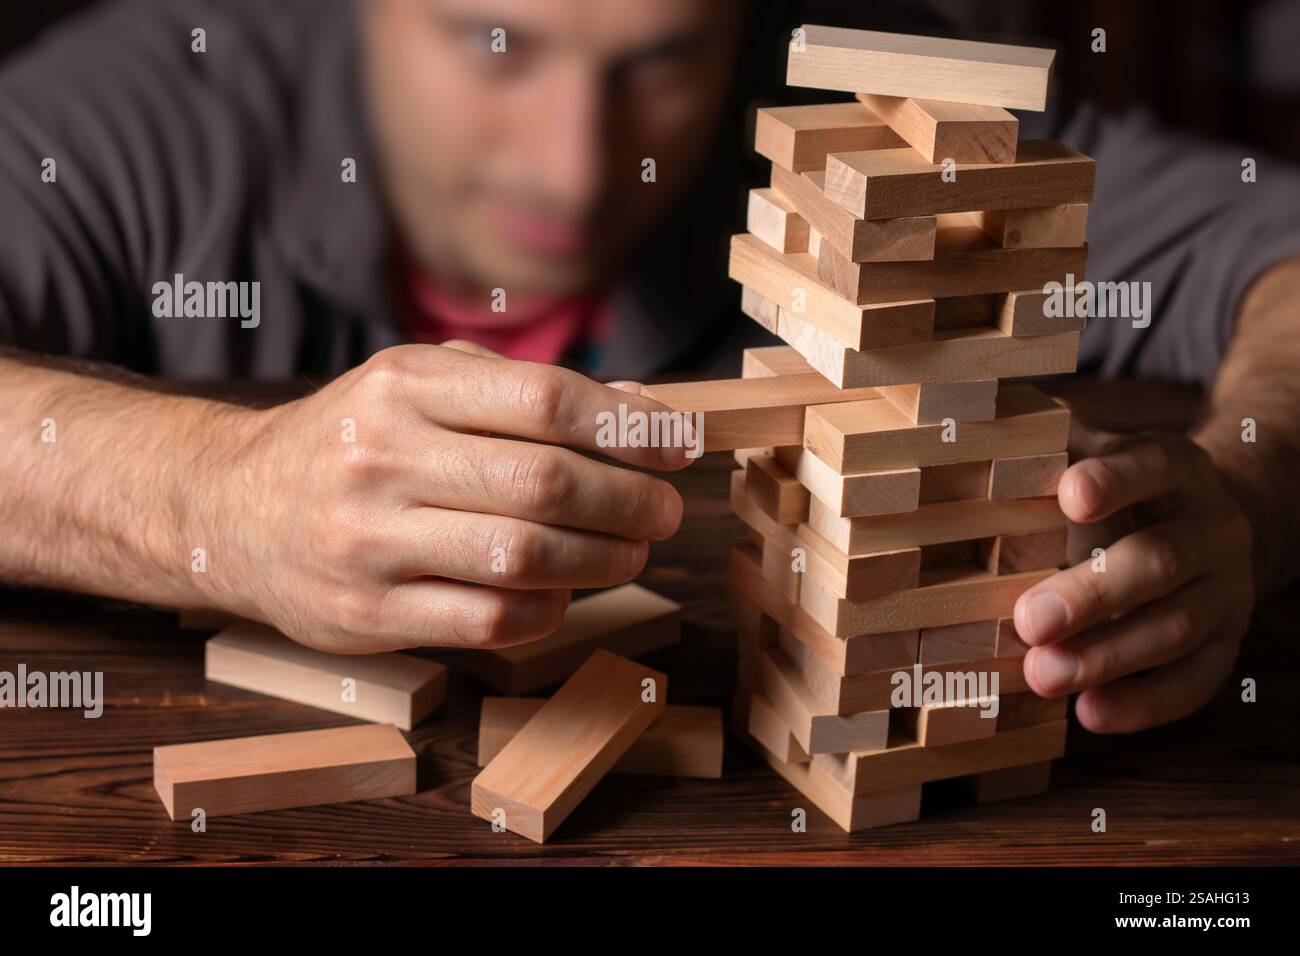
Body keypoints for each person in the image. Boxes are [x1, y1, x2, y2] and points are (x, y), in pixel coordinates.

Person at [1, 0, 1298, 736]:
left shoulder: (885, 124)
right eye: (497, 43)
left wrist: (1255, 485)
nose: (577, 165)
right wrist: (208, 495)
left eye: (663, 58)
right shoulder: (146, 105)